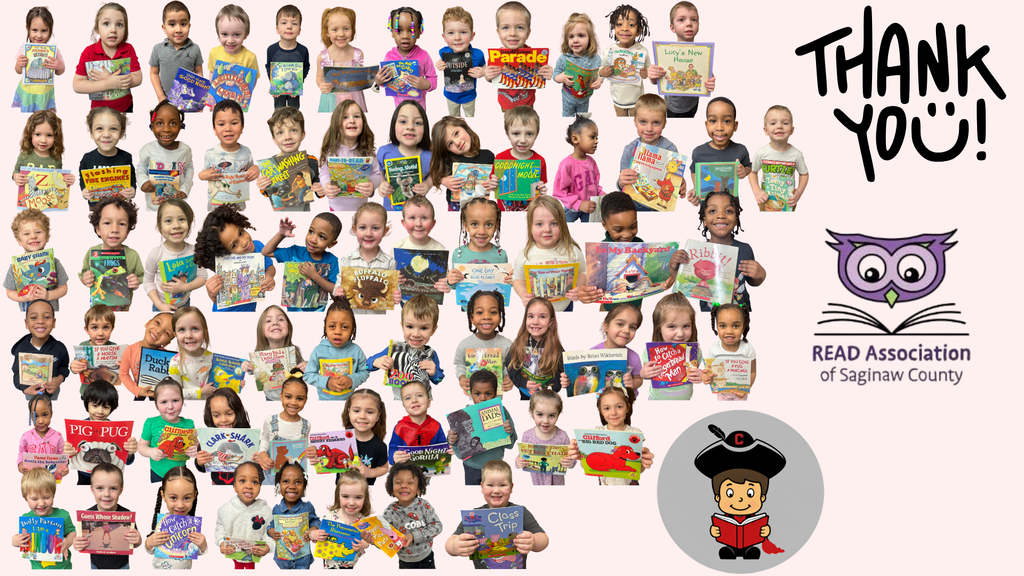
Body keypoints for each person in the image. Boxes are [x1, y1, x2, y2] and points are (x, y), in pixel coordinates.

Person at [694, 425, 787, 559]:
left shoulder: (756, 520)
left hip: (750, 543)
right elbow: (717, 531)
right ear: (718, 497)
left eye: (750, 493)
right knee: (727, 551)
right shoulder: (724, 520)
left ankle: (749, 552)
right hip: (728, 543)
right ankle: (729, 552)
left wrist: (765, 531)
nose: (740, 499)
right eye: (730, 493)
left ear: (762, 497)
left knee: (752, 551)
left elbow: (762, 531)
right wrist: (714, 531)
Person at [445, 460, 547, 568]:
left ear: (511, 487)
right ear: (482, 487)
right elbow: (449, 543)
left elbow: (543, 538)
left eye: (502, 485)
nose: (496, 490)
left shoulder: (520, 511)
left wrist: (534, 541)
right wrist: (454, 546)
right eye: (490, 485)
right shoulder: (474, 516)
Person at [193, 205, 277, 312]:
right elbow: (221, 300)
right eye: (234, 245)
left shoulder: (259, 247)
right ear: (225, 254)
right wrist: (212, 295)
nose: (244, 242)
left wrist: (268, 276)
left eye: (241, 233)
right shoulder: (226, 268)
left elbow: (269, 266)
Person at [512, 196, 588, 312]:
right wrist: (523, 293)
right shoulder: (525, 255)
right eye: (539, 224)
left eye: (554, 223)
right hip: (536, 309)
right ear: (530, 227)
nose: (547, 229)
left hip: (565, 307)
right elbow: (518, 279)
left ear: (562, 225)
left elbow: (583, 272)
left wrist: (578, 288)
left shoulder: (572, 251)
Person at [567, 386, 655, 485]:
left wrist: (644, 462)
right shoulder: (596, 432)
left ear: (627, 407)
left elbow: (637, 469)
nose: (613, 413)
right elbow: (587, 466)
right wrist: (580, 455)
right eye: (607, 408)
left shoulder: (635, 433)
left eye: (619, 407)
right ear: (601, 410)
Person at [647, 2, 717, 118]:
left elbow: (704, 73)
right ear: (672, 28)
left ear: (698, 24)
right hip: (672, 106)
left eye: (693, 20)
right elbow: (658, 80)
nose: (689, 23)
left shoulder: (702, 53)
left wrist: (710, 81)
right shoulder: (665, 53)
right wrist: (653, 76)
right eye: (681, 20)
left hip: (693, 103)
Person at [367, 294, 444, 399]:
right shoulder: (394, 349)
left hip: (425, 402)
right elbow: (367, 364)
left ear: (433, 330)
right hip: (400, 402)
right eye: (410, 326)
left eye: (424, 328)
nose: (416, 334)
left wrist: (434, 373)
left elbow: (438, 379)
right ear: (402, 326)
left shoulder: (431, 353)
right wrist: (376, 362)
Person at [262, 213, 342, 312]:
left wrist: (314, 276)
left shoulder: (332, 260)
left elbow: (336, 290)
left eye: (322, 237)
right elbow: (266, 252)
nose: (313, 239)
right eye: (311, 231)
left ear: (332, 243)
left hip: (317, 313)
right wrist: (281, 235)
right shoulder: (294, 252)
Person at [63, 380, 139, 484]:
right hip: (84, 476)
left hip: (109, 477)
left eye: (106, 407)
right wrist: (66, 452)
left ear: (112, 408)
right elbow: (69, 460)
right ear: (87, 404)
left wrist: (130, 451)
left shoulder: (118, 430)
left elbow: (127, 461)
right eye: (95, 405)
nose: (100, 411)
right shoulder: (77, 428)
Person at [72, 2, 143, 112]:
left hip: (125, 107)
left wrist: (113, 79)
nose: (113, 30)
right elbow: (77, 85)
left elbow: (138, 78)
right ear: (97, 29)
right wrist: (108, 83)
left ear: (125, 29)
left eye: (119, 25)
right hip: (99, 111)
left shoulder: (128, 49)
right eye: (106, 23)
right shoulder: (89, 52)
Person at [449, 371, 517, 485]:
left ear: (495, 393)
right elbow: (460, 453)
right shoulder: (463, 416)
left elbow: (510, 444)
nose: (482, 398)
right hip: (471, 465)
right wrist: (452, 440)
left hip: (495, 466)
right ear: (470, 393)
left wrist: (509, 432)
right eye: (477, 394)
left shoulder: (501, 412)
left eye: (488, 393)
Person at [484, 1, 553, 110]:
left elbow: (541, 75)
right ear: (498, 32)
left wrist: (548, 72)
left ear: (528, 33)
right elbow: (491, 79)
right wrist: (487, 76)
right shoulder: (496, 56)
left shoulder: (535, 55)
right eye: (505, 27)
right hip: (505, 104)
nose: (512, 33)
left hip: (528, 104)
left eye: (519, 27)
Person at [71, 463, 143, 569]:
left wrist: (138, 540)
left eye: (113, 488)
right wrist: (77, 544)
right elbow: (83, 541)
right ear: (92, 489)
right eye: (100, 488)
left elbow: (134, 543)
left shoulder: (126, 515)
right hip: (96, 566)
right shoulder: (87, 515)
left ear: (121, 490)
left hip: (122, 567)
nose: (106, 494)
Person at [685, 97, 752, 206]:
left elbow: (749, 166)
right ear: (706, 125)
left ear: (735, 126)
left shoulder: (741, 150)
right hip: (707, 207)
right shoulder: (698, 152)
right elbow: (694, 170)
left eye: (726, 121)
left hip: (731, 206)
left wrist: (744, 171)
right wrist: (697, 189)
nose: (719, 127)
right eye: (713, 121)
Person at [143, 199, 207, 311]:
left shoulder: (194, 251)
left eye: (181, 219)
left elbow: (203, 276)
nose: (176, 225)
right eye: (168, 221)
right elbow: (148, 281)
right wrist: (159, 305)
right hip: (161, 306)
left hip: (185, 304)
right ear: (159, 226)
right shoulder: (156, 254)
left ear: (189, 223)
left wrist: (185, 287)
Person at [303, 297, 370, 401]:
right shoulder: (318, 351)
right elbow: (308, 375)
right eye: (332, 326)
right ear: (325, 326)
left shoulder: (356, 351)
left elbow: (364, 372)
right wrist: (327, 382)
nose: (338, 331)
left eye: (344, 327)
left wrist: (351, 380)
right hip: (324, 403)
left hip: (349, 402)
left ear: (352, 330)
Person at [197, 99, 259, 211]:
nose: (228, 129)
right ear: (214, 129)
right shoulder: (210, 153)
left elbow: (251, 168)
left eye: (234, 123)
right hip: (216, 205)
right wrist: (204, 175)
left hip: (238, 204)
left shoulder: (246, 152)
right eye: (221, 124)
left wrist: (256, 169)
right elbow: (201, 175)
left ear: (242, 127)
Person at [640, 293, 705, 400]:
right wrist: (644, 373)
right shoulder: (651, 352)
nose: (680, 333)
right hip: (656, 401)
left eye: (686, 326)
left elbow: (692, 374)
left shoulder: (694, 352)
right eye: (672, 326)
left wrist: (700, 375)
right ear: (659, 329)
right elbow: (644, 374)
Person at [317, 101, 379, 212]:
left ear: (363, 122)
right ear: (336, 123)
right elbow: (324, 172)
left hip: (361, 208)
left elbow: (377, 173)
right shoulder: (331, 151)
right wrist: (326, 185)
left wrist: (372, 184)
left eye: (356, 116)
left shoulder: (368, 152)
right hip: (335, 207)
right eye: (345, 117)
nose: (351, 120)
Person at [748, 105, 810, 211]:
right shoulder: (761, 152)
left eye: (785, 123)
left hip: (787, 201)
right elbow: (751, 172)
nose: (779, 126)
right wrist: (757, 191)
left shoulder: (796, 154)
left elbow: (804, 174)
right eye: (773, 123)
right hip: (766, 200)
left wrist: (799, 192)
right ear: (766, 130)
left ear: (792, 130)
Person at [12, 468, 77, 569]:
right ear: (25, 498)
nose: (41, 503)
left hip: (63, 568)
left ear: (53, 495)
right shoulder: (26, 519)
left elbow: (72, 532)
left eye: (46, 497)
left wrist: (68, 542)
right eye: (34, 499)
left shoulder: (63, 515)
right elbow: (23, 539)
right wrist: (15, 542)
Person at [5, 209, 69, 311]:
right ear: (19, 241)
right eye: (26, 234)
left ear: (47, 237)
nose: (33, 236)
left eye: (38, 232)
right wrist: (24, 298)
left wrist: (48, 295)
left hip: (50, 314)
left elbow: (63, 288)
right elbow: (9, 291)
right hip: (27, 315)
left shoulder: (54, 262)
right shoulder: (15, 266)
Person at [429, 115, 498, 211]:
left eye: (456, 133)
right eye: (450, 144)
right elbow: (434, 174)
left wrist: (492, 183)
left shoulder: (488, 156)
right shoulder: (449, 160)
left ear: (464, 127)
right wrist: (444, 181)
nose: (457, 142)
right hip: (456, 208)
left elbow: (497, 180)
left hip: (481, 207)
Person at [381, 462, 442, 568]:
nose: (404, 485)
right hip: (405, 562)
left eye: (410, 482)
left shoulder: (424, 505)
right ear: (392, 489)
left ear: (418, 489)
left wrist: (414, 536)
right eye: (398, 482)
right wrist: (375, 541)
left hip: (427, 558)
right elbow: (385, 538)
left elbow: (437, 526)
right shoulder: (389, 512)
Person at [144, 466, 207, 568]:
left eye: (187, 498)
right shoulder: (162, 522)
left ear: (194, 495)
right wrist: (149, 542)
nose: (180, 505)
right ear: (163, 495)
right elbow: (150, 550)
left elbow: (195, 552)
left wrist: (203, 545)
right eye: (173, 498)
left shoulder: (192, 525)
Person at [374, 7, 436, 108]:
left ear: (418, 33)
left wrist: (426, 84)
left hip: (419, 108)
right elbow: (385, 82)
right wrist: (379, 81)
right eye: (399, 31)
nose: (405, 36)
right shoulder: (389, 56)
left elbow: (433, 79)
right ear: (392, 32)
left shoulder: (424, 56)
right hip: (399, 109)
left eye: (411, 30)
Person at [137, 100, 193, 211]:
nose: (166, 129)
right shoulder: (147, 149)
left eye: (172, 123)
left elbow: (189, 169)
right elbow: (141, 168)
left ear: (180, 126)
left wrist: (185, 189)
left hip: (177, 206)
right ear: (152, 127)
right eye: (160, 123)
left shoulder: (185, 150)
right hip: (154, 208)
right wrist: (143, 182)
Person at [137, 378, 197, 482]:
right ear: (156, 404)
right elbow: (141, 446)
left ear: (182, 401)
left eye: (175, 401)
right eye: (164, 402)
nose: (170, 406)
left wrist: (195, 450)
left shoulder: (189, 424)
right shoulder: (150, 423)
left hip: (181, 472)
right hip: (157, 473)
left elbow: (196, 444)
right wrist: (150, 451)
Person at [214, 462, 272, 568]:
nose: (249, 486)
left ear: (260, 486)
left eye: (254, 482)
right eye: (242, 481)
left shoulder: (266, 512)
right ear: (235, 486)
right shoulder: (225, 510)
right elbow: (220, 530)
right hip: (234, 553)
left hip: (254, 555)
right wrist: (222, 542)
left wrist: (268, 547)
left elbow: (269, 533)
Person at [491, 105, 548, 211]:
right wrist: (492, 184)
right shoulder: (500, 158)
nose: (522, 140)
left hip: (529, 213)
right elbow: (491, 184)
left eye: (529, 134)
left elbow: (540, 186)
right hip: (504, 213)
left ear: (537, 134)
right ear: (507, 134)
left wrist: (542, 189)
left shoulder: (540, 161)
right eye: (516, 133)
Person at [78, 107, 137, 206]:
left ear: (121, 133)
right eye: (99, 129)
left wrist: (132, 189)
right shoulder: (87, 158)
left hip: (120, 207)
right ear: (91, 133)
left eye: (113, 129)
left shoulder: (126, 157)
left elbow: (132, 177)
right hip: (96, 208)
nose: (106, 134)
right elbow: (82, 178)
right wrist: (84, 191)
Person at [506, 298, 564, 399]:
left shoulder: (556, 347)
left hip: (547, 398)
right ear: (525, 319)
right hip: (526, 396)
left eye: (542, 317)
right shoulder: (519, 344)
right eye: (531, 316)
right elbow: (511, 367)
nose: (535, 322)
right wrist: (524, 383)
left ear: (550, 322)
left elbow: (562, 373)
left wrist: (550, 388)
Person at [598, 4, 650, 116]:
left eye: (631, 24)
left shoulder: (642, 51)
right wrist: (603, 72)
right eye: (619, 24)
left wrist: (646, 73)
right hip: (618, 100)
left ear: (638, 31)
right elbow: (600, 70)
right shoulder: (609, 51)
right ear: (614, 28)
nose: (625, 28)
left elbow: (649, 70)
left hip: (637, 100)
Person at [514, 390, 576, 484]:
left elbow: (572, 458)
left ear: (558, 415)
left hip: (557, 486)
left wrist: (570, 462)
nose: (545, 421)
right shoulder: (528, 435)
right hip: (537, 484)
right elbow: (521, 457)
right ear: (532, 413)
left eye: (551, 415)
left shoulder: (562, 436)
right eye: (540, 414)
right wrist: (519, 462)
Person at [267, 462, 321, 569]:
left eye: (298, 482)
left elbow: (316, 521)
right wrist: (270, 531)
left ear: (304, 486)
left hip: (303, 559)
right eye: (286, 481)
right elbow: (270, 526)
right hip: (283, 559)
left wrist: (313, 529)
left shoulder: (308, 507)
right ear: (278, 485)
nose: (292, 486)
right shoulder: (276, 509)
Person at [12, 299, 69, 399]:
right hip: (30, 394)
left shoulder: (60, 348)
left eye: (47, 317)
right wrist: (25, 389)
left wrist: (59, 380)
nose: (40, 321)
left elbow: (64, 368)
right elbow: (16, 373)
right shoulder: (21, 349)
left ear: (54, 322)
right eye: (34, 317)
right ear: (26, 323)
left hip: (52, 395)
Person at [435, 6, 486, 117]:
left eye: (463, 32)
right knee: (454, 118)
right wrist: (439, 64)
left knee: (470, 116)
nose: (457, 37)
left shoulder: (478, 54)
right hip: (450, 95)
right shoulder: (444, 52)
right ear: (444, 37)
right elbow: (440, 62)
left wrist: (482, 72)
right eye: (451, 33)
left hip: (469, 96)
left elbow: (485, 68)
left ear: (472, 35)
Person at [12, 7, 65, 112]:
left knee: (44, 116)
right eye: (34, 30)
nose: (39, 35)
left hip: (45, 92)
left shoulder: (54, 51)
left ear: (51, 29)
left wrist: (59, 66)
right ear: (27, 28)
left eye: (44, 30)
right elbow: (18, 71)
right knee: (28, 116)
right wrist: (19, 64)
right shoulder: (24, 49)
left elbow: (60, 71)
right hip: (28, 92)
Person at [148, 1, 203, 102]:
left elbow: (198, 73)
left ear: (189, 26)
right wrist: (160, 96)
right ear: (164, 28)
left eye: (183, 24)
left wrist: (198, 97)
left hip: (188, 100)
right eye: (172, 24)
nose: (178, 29)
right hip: (166, 101)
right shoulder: (158, 49)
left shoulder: (195, 48)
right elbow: (153, 73)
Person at [552, 116, 603, 223]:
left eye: (597, 138)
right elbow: (559, 192)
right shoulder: (566, 164)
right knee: (563, 232)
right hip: (572, 208)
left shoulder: (591, 162)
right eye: (592, 137)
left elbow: (595, 185)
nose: (596, 141)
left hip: (590, 208)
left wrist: (603, 195)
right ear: (575, 139)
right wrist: (578, 204)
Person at [702, 304, 757, 401]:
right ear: (717, 327)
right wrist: (705, 376)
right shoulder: (714, 349)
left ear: (743, 328)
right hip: (721, 394)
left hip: (741, 394)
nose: (729, 331)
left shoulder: (747, 348)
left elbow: (752, 371)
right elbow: (709, 371)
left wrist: (746, 388)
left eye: (736, 326)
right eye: (723, 326)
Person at [316, 7, 366, 114]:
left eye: (346, 28)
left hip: (354, 98)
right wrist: (321, 84)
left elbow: (361, 76)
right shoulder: (323, 57)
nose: (341, 34)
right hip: (331, 100)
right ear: (327, 32)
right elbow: (319, 77)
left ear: (353, 29)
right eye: (335, 29)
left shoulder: (358, 54)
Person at [553, 13, 604, 116]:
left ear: (590, 38)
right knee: (567, 117)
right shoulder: (564, 58)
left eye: (581, 35)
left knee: (582, 118)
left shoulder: (595, 59)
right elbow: (555, 73)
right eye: (571, 36)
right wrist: (560, 78)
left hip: (584, 98)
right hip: (568, 97)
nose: (575, 40)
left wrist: (599, 80)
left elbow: (601, 73)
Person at [266, 4, 309, 110]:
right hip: (279, 88)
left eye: (294, 23)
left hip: (294, 88)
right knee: (279, 110)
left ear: (299, 30)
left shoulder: (303, 50)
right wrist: (273, 84)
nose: (289, 26)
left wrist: (299, 83)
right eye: (284, 23)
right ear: (277, 29)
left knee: (294, 111)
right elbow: (269, 67)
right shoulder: (271, 49)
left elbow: (306, 67)